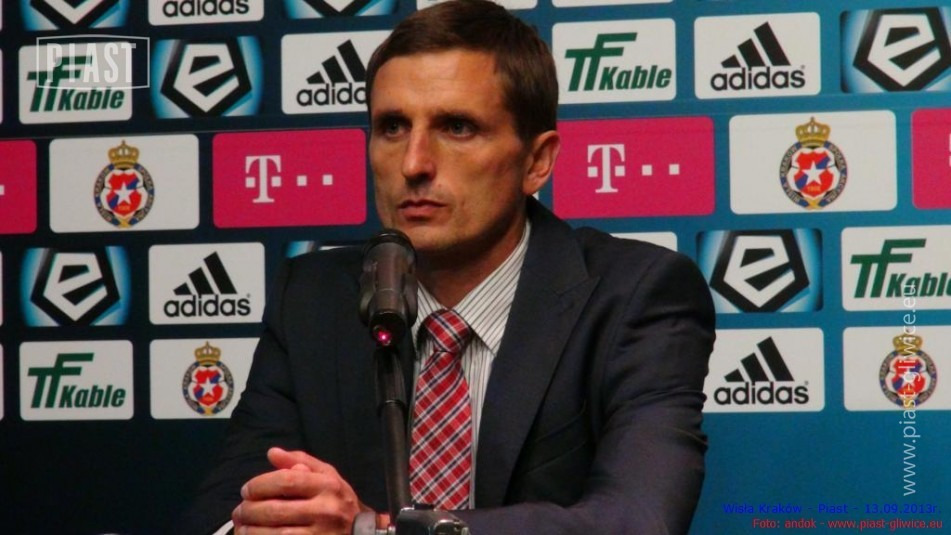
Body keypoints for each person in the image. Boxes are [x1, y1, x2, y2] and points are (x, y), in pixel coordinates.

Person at [180, 0, 715, 533]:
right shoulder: (313, 299)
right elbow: (222, 513)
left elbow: (637, 520)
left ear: (537, 161)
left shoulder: (636, 295)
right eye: (392, 127)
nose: (413, 163)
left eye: (457, 127)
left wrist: (374, 531)